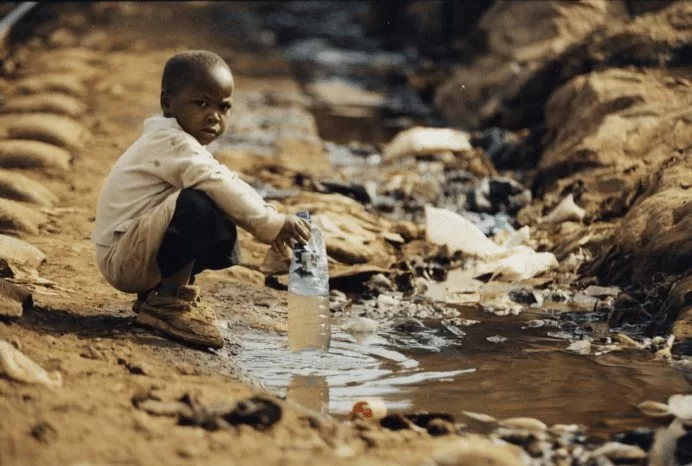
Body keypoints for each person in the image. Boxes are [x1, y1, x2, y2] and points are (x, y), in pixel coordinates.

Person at [91, 50, 310, 349]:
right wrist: (272, 223)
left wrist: (270, 215)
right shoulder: (170, 142)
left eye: (224, 107)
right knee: (199, 203)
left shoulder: (181, 143)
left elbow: (225, 181)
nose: (214, 115)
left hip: (133, 251)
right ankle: (168, 303)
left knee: (215, 202)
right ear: (167, 103)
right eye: (201, 103)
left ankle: (158, 296)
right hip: (123, 258)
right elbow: (217, 182)